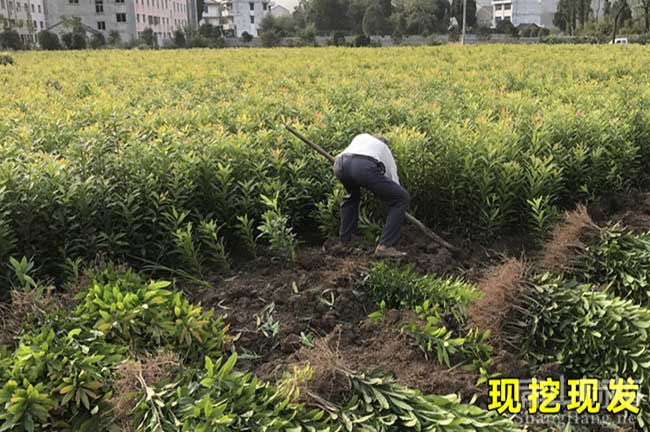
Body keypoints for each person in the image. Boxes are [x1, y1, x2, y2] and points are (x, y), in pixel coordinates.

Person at [333, 133, 410, 257]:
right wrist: (398, 206)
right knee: (401, 197)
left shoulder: (361, 137)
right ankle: (385, 246)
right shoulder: (384, 149)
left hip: (340, 164)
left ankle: (345, 242)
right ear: (386, 144)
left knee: (352, 197)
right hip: (362, 167)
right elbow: (393, 180)